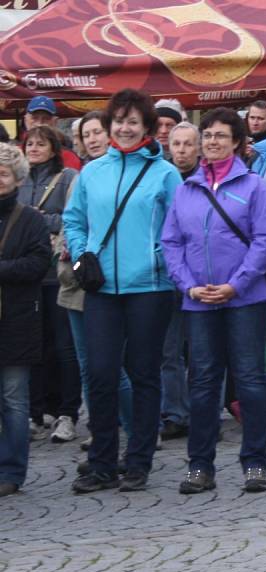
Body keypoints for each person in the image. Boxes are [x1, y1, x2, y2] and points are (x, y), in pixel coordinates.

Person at [63, 88, 183, 494]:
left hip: (150, 286)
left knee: (144, 374)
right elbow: (74, 220)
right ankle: (101, 462)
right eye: (120, 121)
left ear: (147, 127)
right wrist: (83, 256)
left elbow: (177, 228)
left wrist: (159, 258)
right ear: (109, 125)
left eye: (134, 122)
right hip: (101, 287)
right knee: (99, 374)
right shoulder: (92, 172)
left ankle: (139, 461)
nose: (125, 128)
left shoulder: (164, 173)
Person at [162, 107, 266, 494]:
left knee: (249, 380)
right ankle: (200, 465)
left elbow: (265, 241)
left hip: (245, 299)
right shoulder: (186, 189)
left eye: (221, 136)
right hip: (199, 300)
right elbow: (171, 242)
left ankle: (255, 463)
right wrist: (188, 286)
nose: (212, 142)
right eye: (207, 135)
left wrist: (236, 284)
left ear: (237, 143)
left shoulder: (254, 187)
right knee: (203, 382)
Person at [56, 112, 135, 465]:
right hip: (76, 283)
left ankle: (135, 429)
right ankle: (101, 430)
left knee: (113, 366)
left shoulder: (120, 174)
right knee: (89, 366)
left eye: (97, 132)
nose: (92, 139)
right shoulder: (83, 176)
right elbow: (69, 225)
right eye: (85, 135)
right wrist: (74, 252)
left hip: (113, 281)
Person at [18, 125, 81, 443]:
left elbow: (71, 218)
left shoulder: (68, 177)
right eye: (29, 143)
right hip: (28, 275)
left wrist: (38, 218)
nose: (33, 149)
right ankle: (35, 410)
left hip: (58, 273)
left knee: (65, 346)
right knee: (34, 346)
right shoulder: (18, 178)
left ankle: (68, 412)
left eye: (40, 144)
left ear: (53, 148)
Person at [0, 143, 51, 497]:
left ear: (17, 178)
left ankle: (12, 471)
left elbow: (38, 264)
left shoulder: (30, 219)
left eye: (3, 173)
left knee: (14, 400)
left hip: (17, 321)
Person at [159, 121, 202, 442]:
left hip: (203, 278)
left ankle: (203, 410)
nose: (183, 150)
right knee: (169, 351)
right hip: (168, 275)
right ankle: (175, 411)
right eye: (177, 144)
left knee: (203, 350)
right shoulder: (161, 178)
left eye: (189, 144)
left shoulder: (207, 181)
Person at [23, 96, 81, 171]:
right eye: (35, 118)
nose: (39, 123)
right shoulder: (14, 153)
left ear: (55, 122)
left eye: (46, 119)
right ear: (25, 120)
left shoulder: (68, 157)